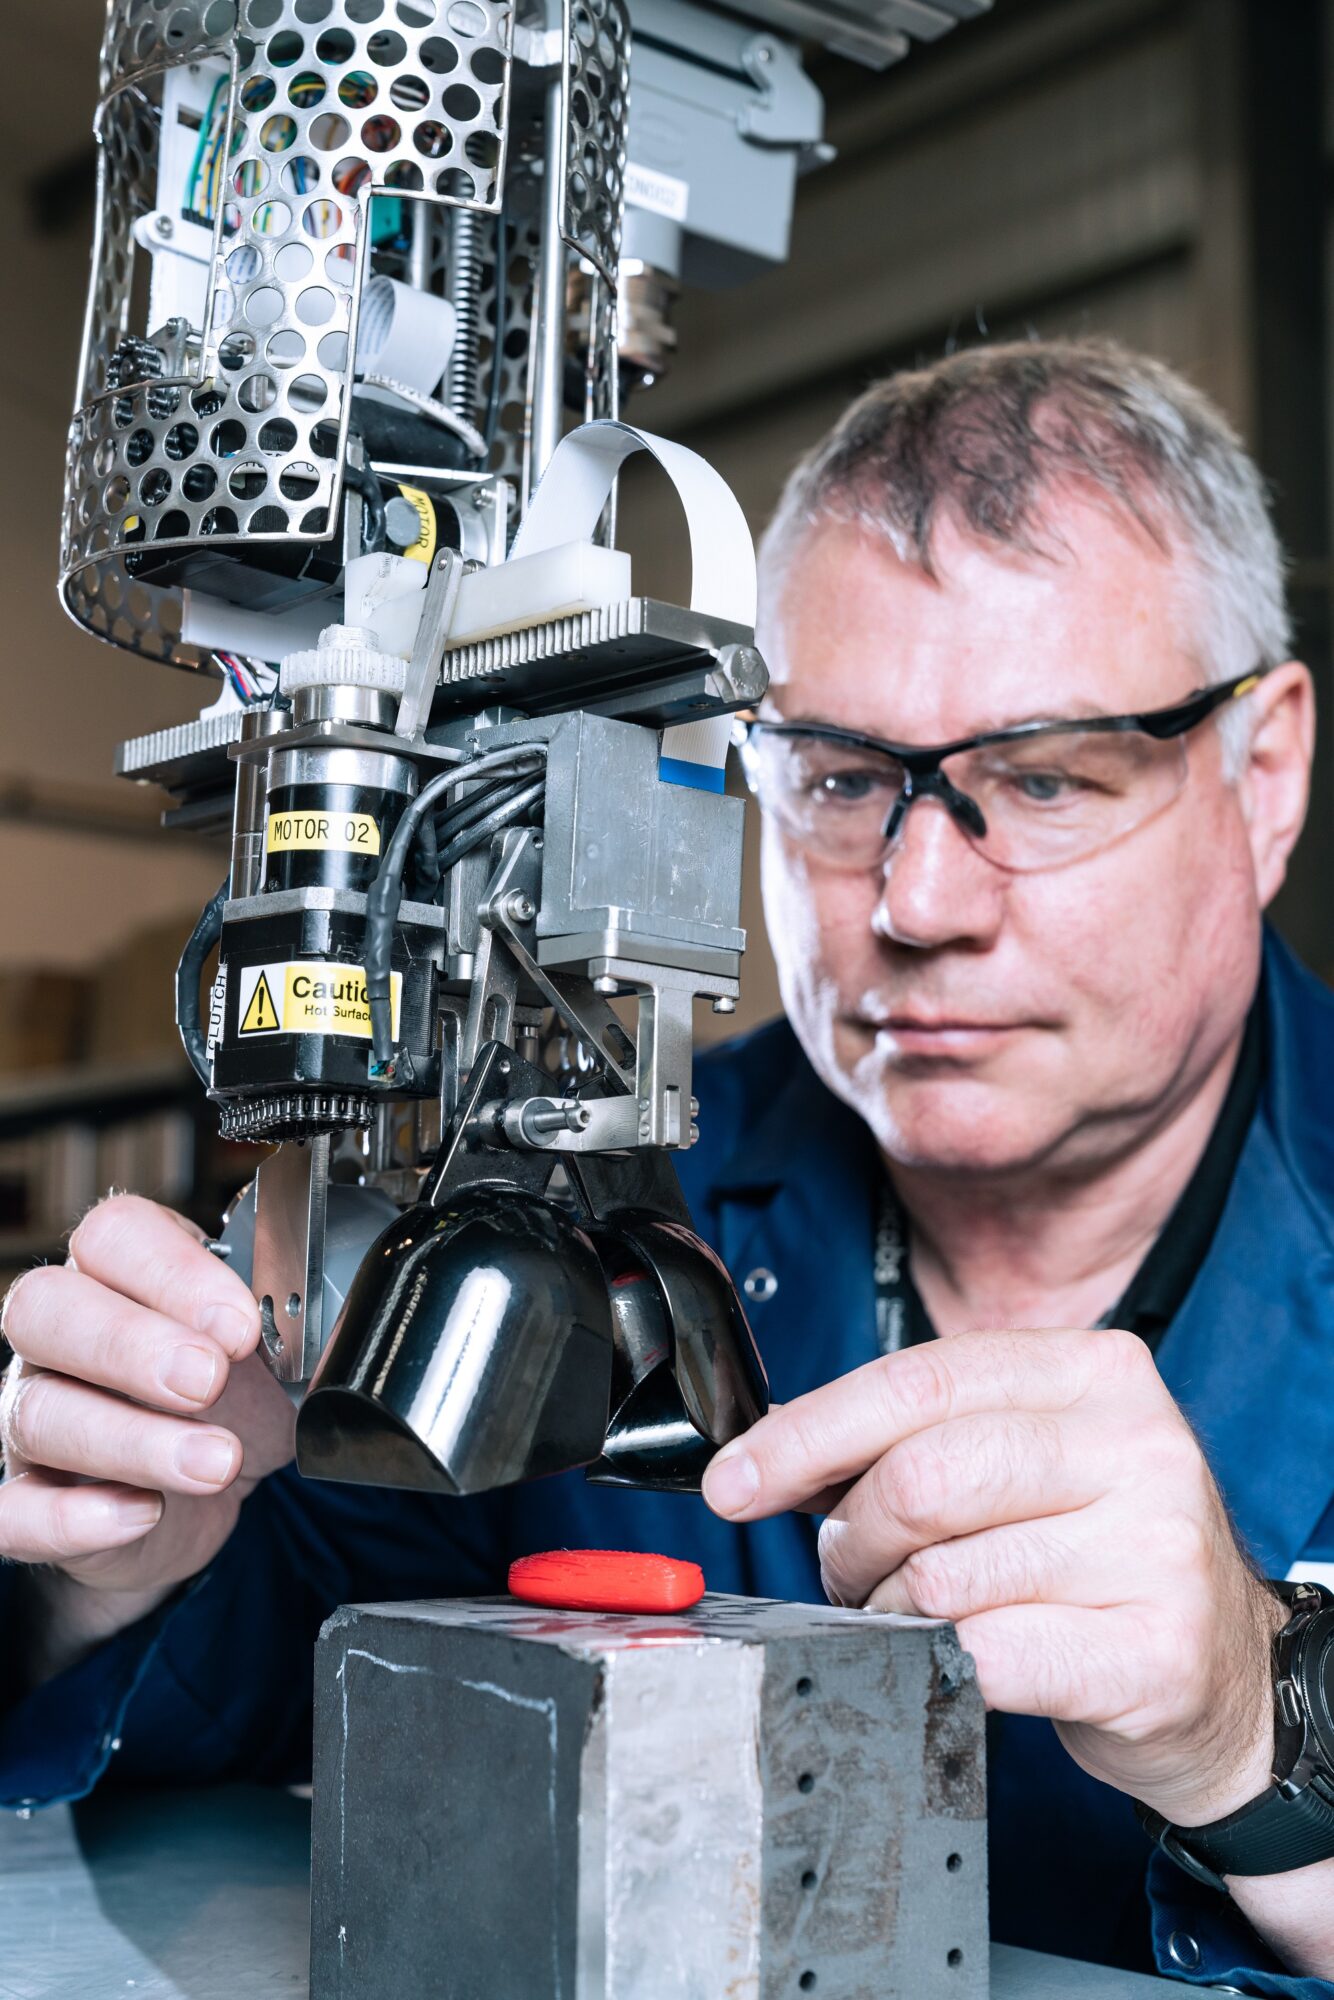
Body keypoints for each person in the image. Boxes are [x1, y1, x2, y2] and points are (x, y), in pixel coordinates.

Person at [2, 338, 1332, 1992]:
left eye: (1040, 777)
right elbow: (268, 1676)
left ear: (1261, 773)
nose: (914, 901)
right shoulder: (591, 1197)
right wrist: (102, 1557)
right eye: (840, 781)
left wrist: (1258, 1731)